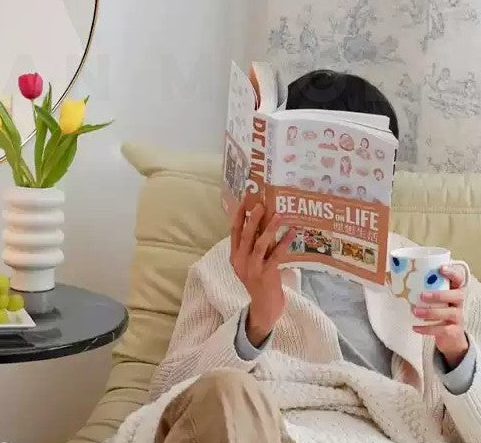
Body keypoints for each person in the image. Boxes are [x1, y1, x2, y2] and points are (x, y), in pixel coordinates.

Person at [114, 70, 481, 443]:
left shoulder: (437, 278)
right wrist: (256, 323)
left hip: (369, 431)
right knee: (225, 392)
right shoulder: (226, 263)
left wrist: (456, 354)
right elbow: (170, 396)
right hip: (258, 424)